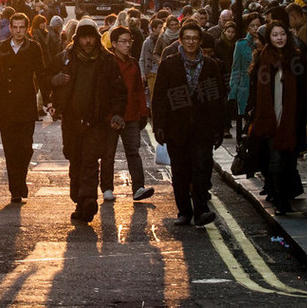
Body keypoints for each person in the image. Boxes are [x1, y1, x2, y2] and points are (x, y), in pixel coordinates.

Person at [49, 18, 127, 223]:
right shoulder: (65, 58)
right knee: (74, 158)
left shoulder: (106, 60)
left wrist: (118, 113)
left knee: (90, 161)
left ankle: (88, 199)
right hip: (71, 119)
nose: (88, 42)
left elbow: (119, 90)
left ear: (97, 38)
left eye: (91, 37)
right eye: (83, 37)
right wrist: (53, 82)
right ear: (77, 39)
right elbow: (46, 78)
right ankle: (79, 199)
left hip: (96, 120)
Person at [152, 20, 226, 226]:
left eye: (195, 38)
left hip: (203, 129)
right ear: (180, 40)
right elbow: (159, 97)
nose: (191, 42)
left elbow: (217, 99)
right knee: (180, 172)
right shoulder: (169, 64)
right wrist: (159, 124)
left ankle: (201, 210)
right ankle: (184, 211)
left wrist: (219, 128)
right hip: (177, 128)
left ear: (200, 41)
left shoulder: (211, 66)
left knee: (202, 168)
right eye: (187, 38)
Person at [246, 21, 307, 214]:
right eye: (275, 35)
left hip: (291, 118)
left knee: (289, 160)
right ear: (269, 38)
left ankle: (284, 194)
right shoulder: (263, 58)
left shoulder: (296, 58)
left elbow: (305, 88)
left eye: (282, 34)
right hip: (269, 117)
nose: (279, 38)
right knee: (275, 159)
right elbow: (255, 89)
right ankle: (280, 200)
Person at [0, 13, 52, 203]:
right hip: (6, 105)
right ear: (10, 28)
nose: (18, 31)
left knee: (25, 148)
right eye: (15, 27)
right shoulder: (0, 48)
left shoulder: (34, 47)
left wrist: (48, 100)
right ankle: (15, 189)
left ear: (27, 29)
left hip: (26, 103)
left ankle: (21, 180)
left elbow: (41, 74)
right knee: (10, 149)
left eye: (21, 27)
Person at [102, 27, 154, 202]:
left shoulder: (132, 64)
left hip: (131, 116)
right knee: (108, 154)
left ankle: (138, 187)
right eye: (123, 42)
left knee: (133, 152)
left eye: (129, 41)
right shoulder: (108, 62)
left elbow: (139, 90)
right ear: (114, 43)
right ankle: (107, 188)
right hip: (111, 117)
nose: (127, 45)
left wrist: (143, 112)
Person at [230, 13, 264, 134]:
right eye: (252, 25)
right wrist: (232, 94)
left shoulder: (267, 44)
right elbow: (236, 69)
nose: (255, 28)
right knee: (246, 121)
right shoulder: (241, 44)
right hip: (245, 86)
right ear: (247, 27)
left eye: (258, 25)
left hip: (262, 84)